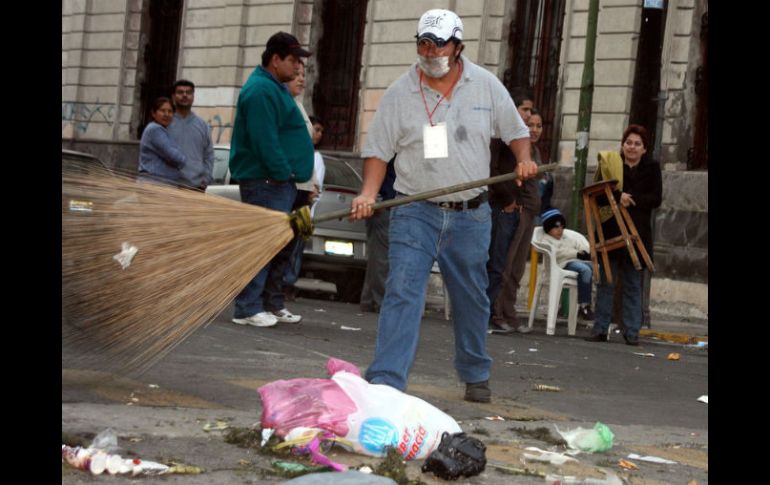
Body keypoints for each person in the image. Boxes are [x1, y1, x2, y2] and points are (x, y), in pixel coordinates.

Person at [349, 9, 538, 403]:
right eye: (423, 43)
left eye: (438, 44)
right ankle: (386, 380)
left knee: (471, 296)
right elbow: (378, 152)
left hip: (471, 214)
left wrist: (523, 159)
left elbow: (516, 133)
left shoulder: (485, 85)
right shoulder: (400, 93)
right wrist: (368, 193)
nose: (430, 51)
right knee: (402, 290)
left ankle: (475, 373)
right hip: (414, 209)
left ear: (458, 47)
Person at [229, 31, 314, 328]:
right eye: (292, 60)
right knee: (262, 245)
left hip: (276, 182)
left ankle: (263, 303)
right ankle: (247, 308)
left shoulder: (272, 87)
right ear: (275, 59)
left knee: (274, 246)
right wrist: (282, 173)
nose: (297, 68)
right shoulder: (261, 91)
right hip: (267, 181)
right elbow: (265, 139)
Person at [585, 124, 662, 346]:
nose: (632, 147)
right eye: (628, 142)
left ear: (644, 149)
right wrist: (617, 196)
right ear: (622, 145)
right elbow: (597, 194)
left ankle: (631, 332)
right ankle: (600, 328)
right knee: (606, 282)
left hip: (637, 233)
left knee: (632, 283)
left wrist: (631, 198)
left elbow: (655, 198)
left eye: (637, 144)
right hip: (611, 231)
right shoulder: (611, 163)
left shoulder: (652, 167)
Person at [486, 88, 540, 335]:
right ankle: (493, 313)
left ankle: (506, 311)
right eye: (525, 110)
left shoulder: (524, 142)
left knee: (514, 266)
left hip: (522, 209)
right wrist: (507, 199)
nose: (528, 116)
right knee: (499, 264)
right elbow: (494, 172)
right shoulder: (500, 137)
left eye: (531, 110)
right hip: (504, 208)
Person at [284, 115, 327, 300]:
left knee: (296, 250)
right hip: (293, 205)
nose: (318, 134)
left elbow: (316, 188)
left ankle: (288, 283)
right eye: (315, 129)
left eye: (321, 132)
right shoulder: (301, 153)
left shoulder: (317, 157)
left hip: (305, 211)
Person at [540, 209, 594, 319]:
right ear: (548, 229)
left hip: (574, 262)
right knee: (585, 270)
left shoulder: (566, 237)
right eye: (556, 227)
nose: (560, 230)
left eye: (562, 227)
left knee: (594, 268)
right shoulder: (546, 240)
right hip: (561, 265)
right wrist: (577, 254)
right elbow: (559, 253)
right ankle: (584, 305)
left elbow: (578, 245)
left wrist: (586, 253)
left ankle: (591, 303)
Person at [359, 158, 397, 313]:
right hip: (386, 204)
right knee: (382, 259)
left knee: (377, 258)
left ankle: (369, 300)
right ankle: (380, 301)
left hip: (382, 203)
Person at [167, 79, 215, 191]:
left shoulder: (202, 125)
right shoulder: (166, 124)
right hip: (169, 187)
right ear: (173, 97)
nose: (185, 95)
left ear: (193, 96)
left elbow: (209, 155)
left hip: (196, 187)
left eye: (188, 92)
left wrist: (206, 179)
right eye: (180, 92)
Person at [138, 97, 187, 186]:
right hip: (154, 185)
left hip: (160, 185)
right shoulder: (155, 130)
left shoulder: (163, 130)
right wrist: (183, 158)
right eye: (162, 111)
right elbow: (175, 157)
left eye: (170, 111)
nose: (166, 114)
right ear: (153, 113)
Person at [528, 109, 554, 217]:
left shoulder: (536, 150)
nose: (535, 130)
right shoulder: (517, 150)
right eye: (530, 125)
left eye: (539, 126)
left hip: (536, 208)